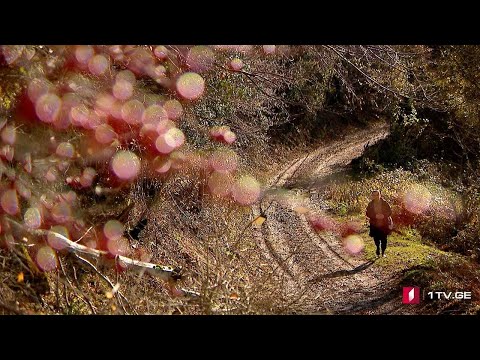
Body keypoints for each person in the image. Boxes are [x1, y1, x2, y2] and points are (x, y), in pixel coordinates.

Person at [366, 190, 393, 257]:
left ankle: (383, 252)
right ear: (372, 196)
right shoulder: (370, 204)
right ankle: (377, 248)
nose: (375, 197)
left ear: (380, 195)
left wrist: (383, 215)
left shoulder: (384, 203)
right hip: (374, 223)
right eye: (374, 195)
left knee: (384, 239)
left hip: (384, 223)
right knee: (376, 238)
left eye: (377, 195)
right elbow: (368, 213)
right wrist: (375, 216)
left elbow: (389, 212)